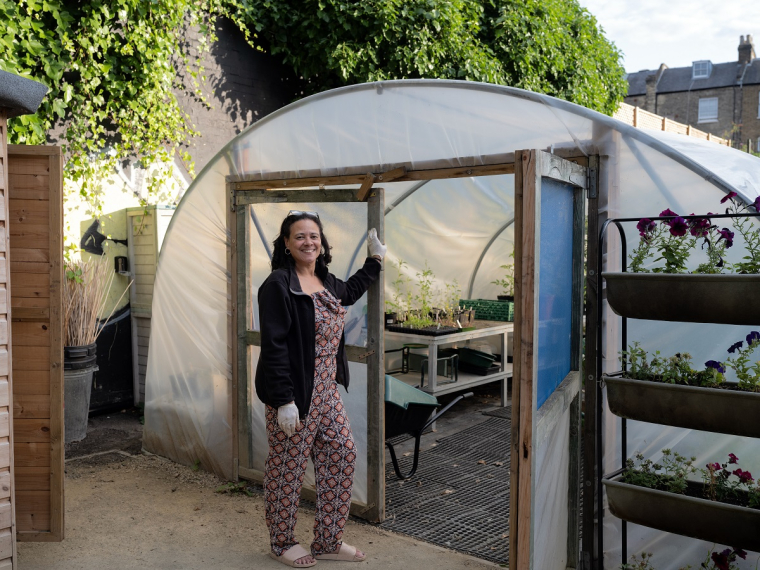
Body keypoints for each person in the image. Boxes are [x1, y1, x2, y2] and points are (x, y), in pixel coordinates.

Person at [255, 210, 387, 568]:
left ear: (322, 242)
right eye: (299, 236)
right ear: (286, 243)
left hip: (326, 393)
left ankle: (328, 540)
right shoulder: (278, 285)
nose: (308, 242)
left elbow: (352, 290)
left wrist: (375, 259)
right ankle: (282, 542)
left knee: (342, 454)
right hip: (295, 395)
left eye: (314, 236)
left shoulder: (325, 280)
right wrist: (284, 401)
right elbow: (274, 346)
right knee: (288, 467)